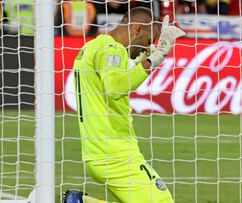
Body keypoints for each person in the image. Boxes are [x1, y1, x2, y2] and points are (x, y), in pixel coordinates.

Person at [63, 7, 185, 203]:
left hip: (96, 152)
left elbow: (107, 84)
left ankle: (78, 201)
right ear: (137, 29)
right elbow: (114, 88)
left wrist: (139, 61)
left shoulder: (92, 47)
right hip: (116, 155)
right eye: (148, 40)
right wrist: (157, 57)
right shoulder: (113, 49)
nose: (148, 47)